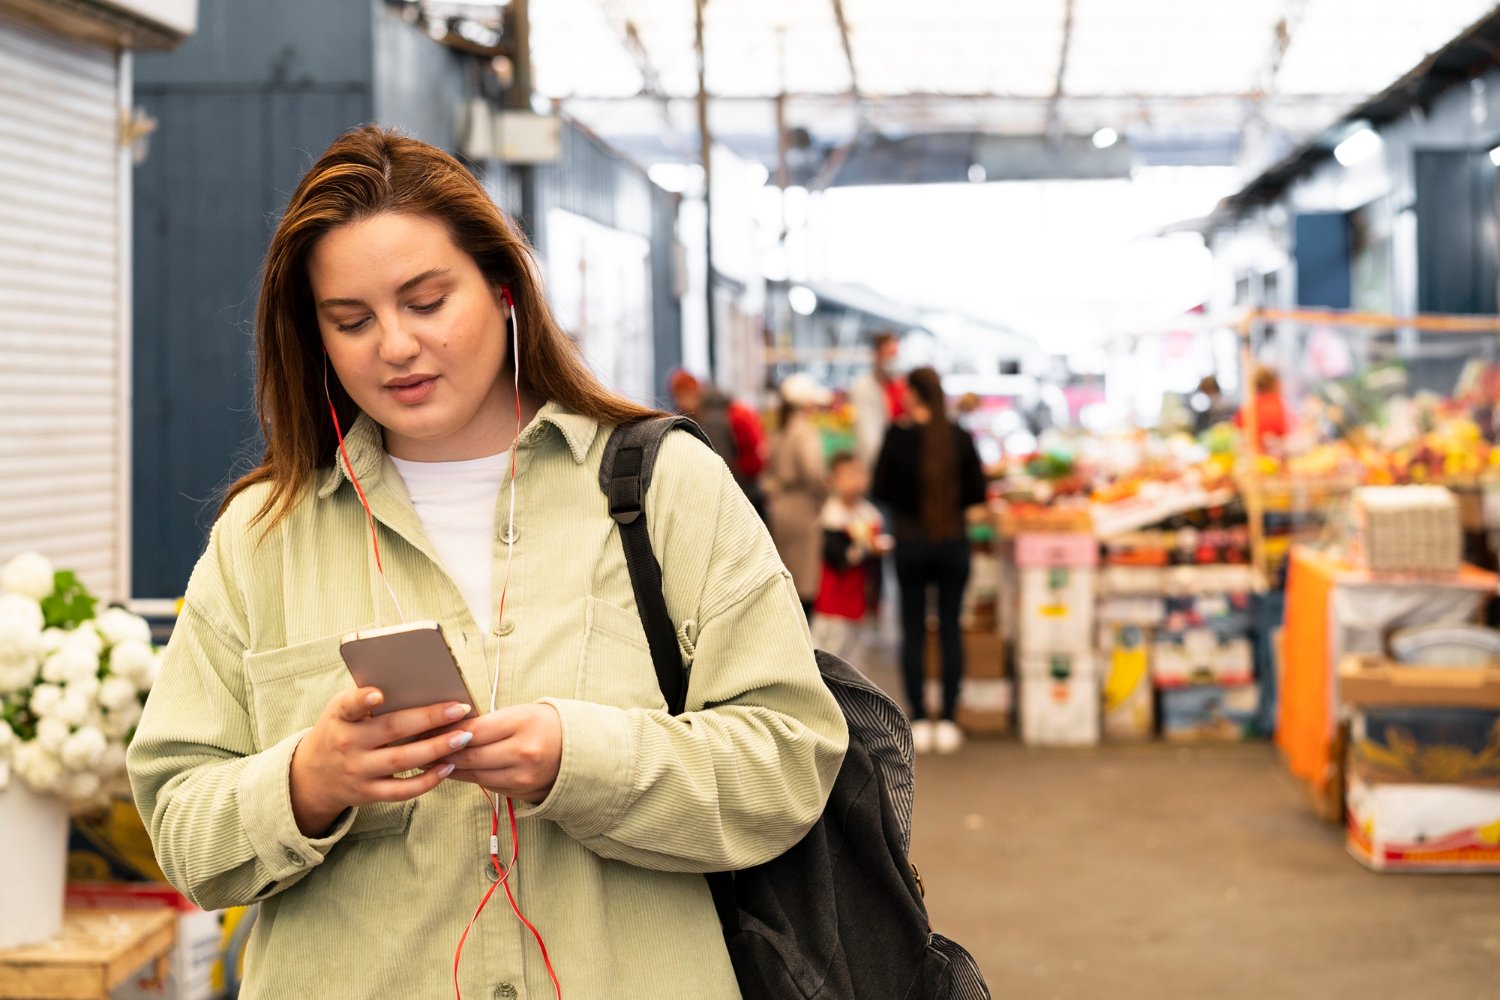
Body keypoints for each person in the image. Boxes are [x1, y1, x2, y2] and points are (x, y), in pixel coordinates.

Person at [125, 126, 847, 1000]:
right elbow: (177, 823)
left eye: (426, 302)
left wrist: (577, 758)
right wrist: (308, 780)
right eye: (351, 321)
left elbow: (790, 759)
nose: (393, 345)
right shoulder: (262, 536)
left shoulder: (664, 488)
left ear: (505, 290)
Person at [872, 367, 986, 755]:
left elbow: (880, 488)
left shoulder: (896, 436)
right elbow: (978, 492)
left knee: (914, 630)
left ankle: (920, 717)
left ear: (915, 394)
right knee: (951, 629)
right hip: (953, 544)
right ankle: (950, 720)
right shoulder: (959, 436)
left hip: (911, 545)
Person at [761, 372, 831, 619]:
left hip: (781, 508)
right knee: (804, 583)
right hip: (802, 509)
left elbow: (766, 472)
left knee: (788, 578)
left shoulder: (780, 429)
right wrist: (825, 495)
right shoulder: (803, 430)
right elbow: (812, 471)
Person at [809, 452, 889, 663]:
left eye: (859, 474)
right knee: (829, 657)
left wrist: (876, 603)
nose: (855, 481)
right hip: (834, 601)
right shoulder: (831, 516)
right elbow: (838, 558)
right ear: (833, 480)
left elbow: (876, 568)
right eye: (847, 475)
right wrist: (864, 549)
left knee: (856, 661)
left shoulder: (870, 514)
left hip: (859, 600)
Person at [667, 367, 767, 517]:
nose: (680, 402)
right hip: (746, 492)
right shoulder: (719, 410)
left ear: (694, 392)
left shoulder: (713, 418)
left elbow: (719, 463)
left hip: (738, 497)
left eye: (682, 395)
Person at [848, 330, 906, 469]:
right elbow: (867, 436)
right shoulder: (863, 387)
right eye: (889, 355)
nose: (893, 360)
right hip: (876, 463)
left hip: (896, 460)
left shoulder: (900, 386)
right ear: (877, 355)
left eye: (895, 354)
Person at [1235, 365, 1290, 453]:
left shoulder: (1247, 407)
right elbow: (1288, 434)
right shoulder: (1278, 405)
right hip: (1275, 458)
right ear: (1275, 384)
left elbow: (1236, 432)